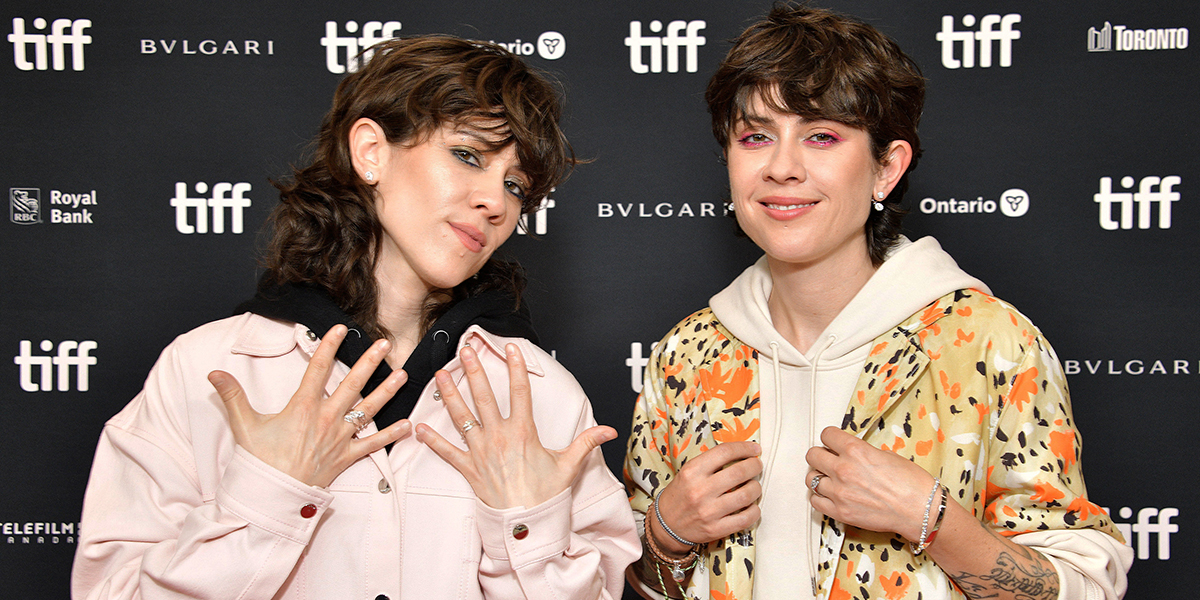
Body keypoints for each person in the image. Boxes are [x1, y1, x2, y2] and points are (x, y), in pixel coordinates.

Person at [72, 35, 638, 600]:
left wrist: (526, 527)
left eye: (516, 186)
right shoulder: (210, 370)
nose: (496, 202)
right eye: (467, 155)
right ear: (371, 150)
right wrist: (269, 494)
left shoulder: (540, 396)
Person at [624, 6, 1132, 600]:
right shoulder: (687, 355)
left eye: (821, 136)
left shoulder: (987, 341)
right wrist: (666, 535)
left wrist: (933, 520)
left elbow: (1083, 587)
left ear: (885, 168)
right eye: (756, 136)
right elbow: (646, 579)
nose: (782, 167)